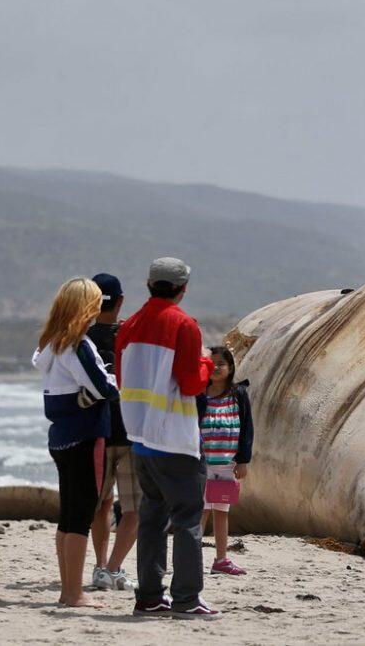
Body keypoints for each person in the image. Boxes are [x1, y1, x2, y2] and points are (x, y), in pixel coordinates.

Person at [116, 257, 220, 619]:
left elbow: (122, 378)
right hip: (175, 438)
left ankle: (148, 596)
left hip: (140, 437)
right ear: (183, 288)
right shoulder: (184, 325)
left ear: (149, 284)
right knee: (188, 519)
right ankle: (187, 599)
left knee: (152, 519)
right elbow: (192, 382)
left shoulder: (128, 325)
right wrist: (207, 364)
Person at [32, 277, 119, 609]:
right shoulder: (78, 345)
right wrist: (117, 382)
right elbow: (103, 388)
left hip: (61, 438)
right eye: (95, 302)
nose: (99, 307)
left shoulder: (50, 345)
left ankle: (68, 590)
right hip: (85, 437)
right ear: (87, 306)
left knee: (69, 515)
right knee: (81, 515)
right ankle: (73, 593)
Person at [86, 273, 141, 591]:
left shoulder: (80, 337)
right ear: (120, 301)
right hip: (132, 432)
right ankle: (114, 566)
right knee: (133, 508)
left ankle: (99, 565)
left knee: (100, 504)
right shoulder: (131, 336)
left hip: (97, 434)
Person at [198, 346, 254, 576]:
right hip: (202, 463)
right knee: (201, 511)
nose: (217, 367)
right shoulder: (199, 393)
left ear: (231, 368)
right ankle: (191, 557)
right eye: (213, 363)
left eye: (222, 363)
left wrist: (243, 461)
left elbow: (247, 429)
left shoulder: (238, 394)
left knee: (221, 511)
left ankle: (221, 559)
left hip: (227, 463)